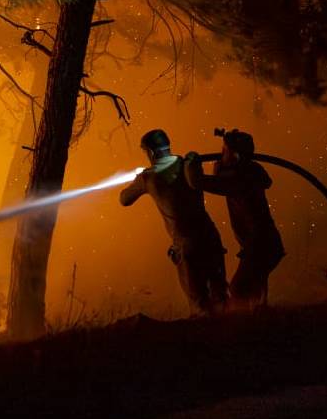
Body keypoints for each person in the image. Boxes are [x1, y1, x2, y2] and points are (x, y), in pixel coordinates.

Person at [120, 128, 227, 314]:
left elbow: (124, 199)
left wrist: (140, 178)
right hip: (210, 236)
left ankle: (209, 341)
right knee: (221, 297)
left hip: (186, 244)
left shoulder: (148, 177)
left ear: (151, 152)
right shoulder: (188, 164)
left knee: (199, 304)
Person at [184, 128, 285, 309]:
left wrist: (191, 163)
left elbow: (197, 182)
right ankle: (263, 324)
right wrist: (221, 166)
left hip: (260, 245)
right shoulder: (250, 171)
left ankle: (243, 328)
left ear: (236, 155)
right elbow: (222, 180)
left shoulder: (239, 180)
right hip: (264, 243)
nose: (221, 153)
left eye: (225, 150)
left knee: (239, 290)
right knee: (257, 294)